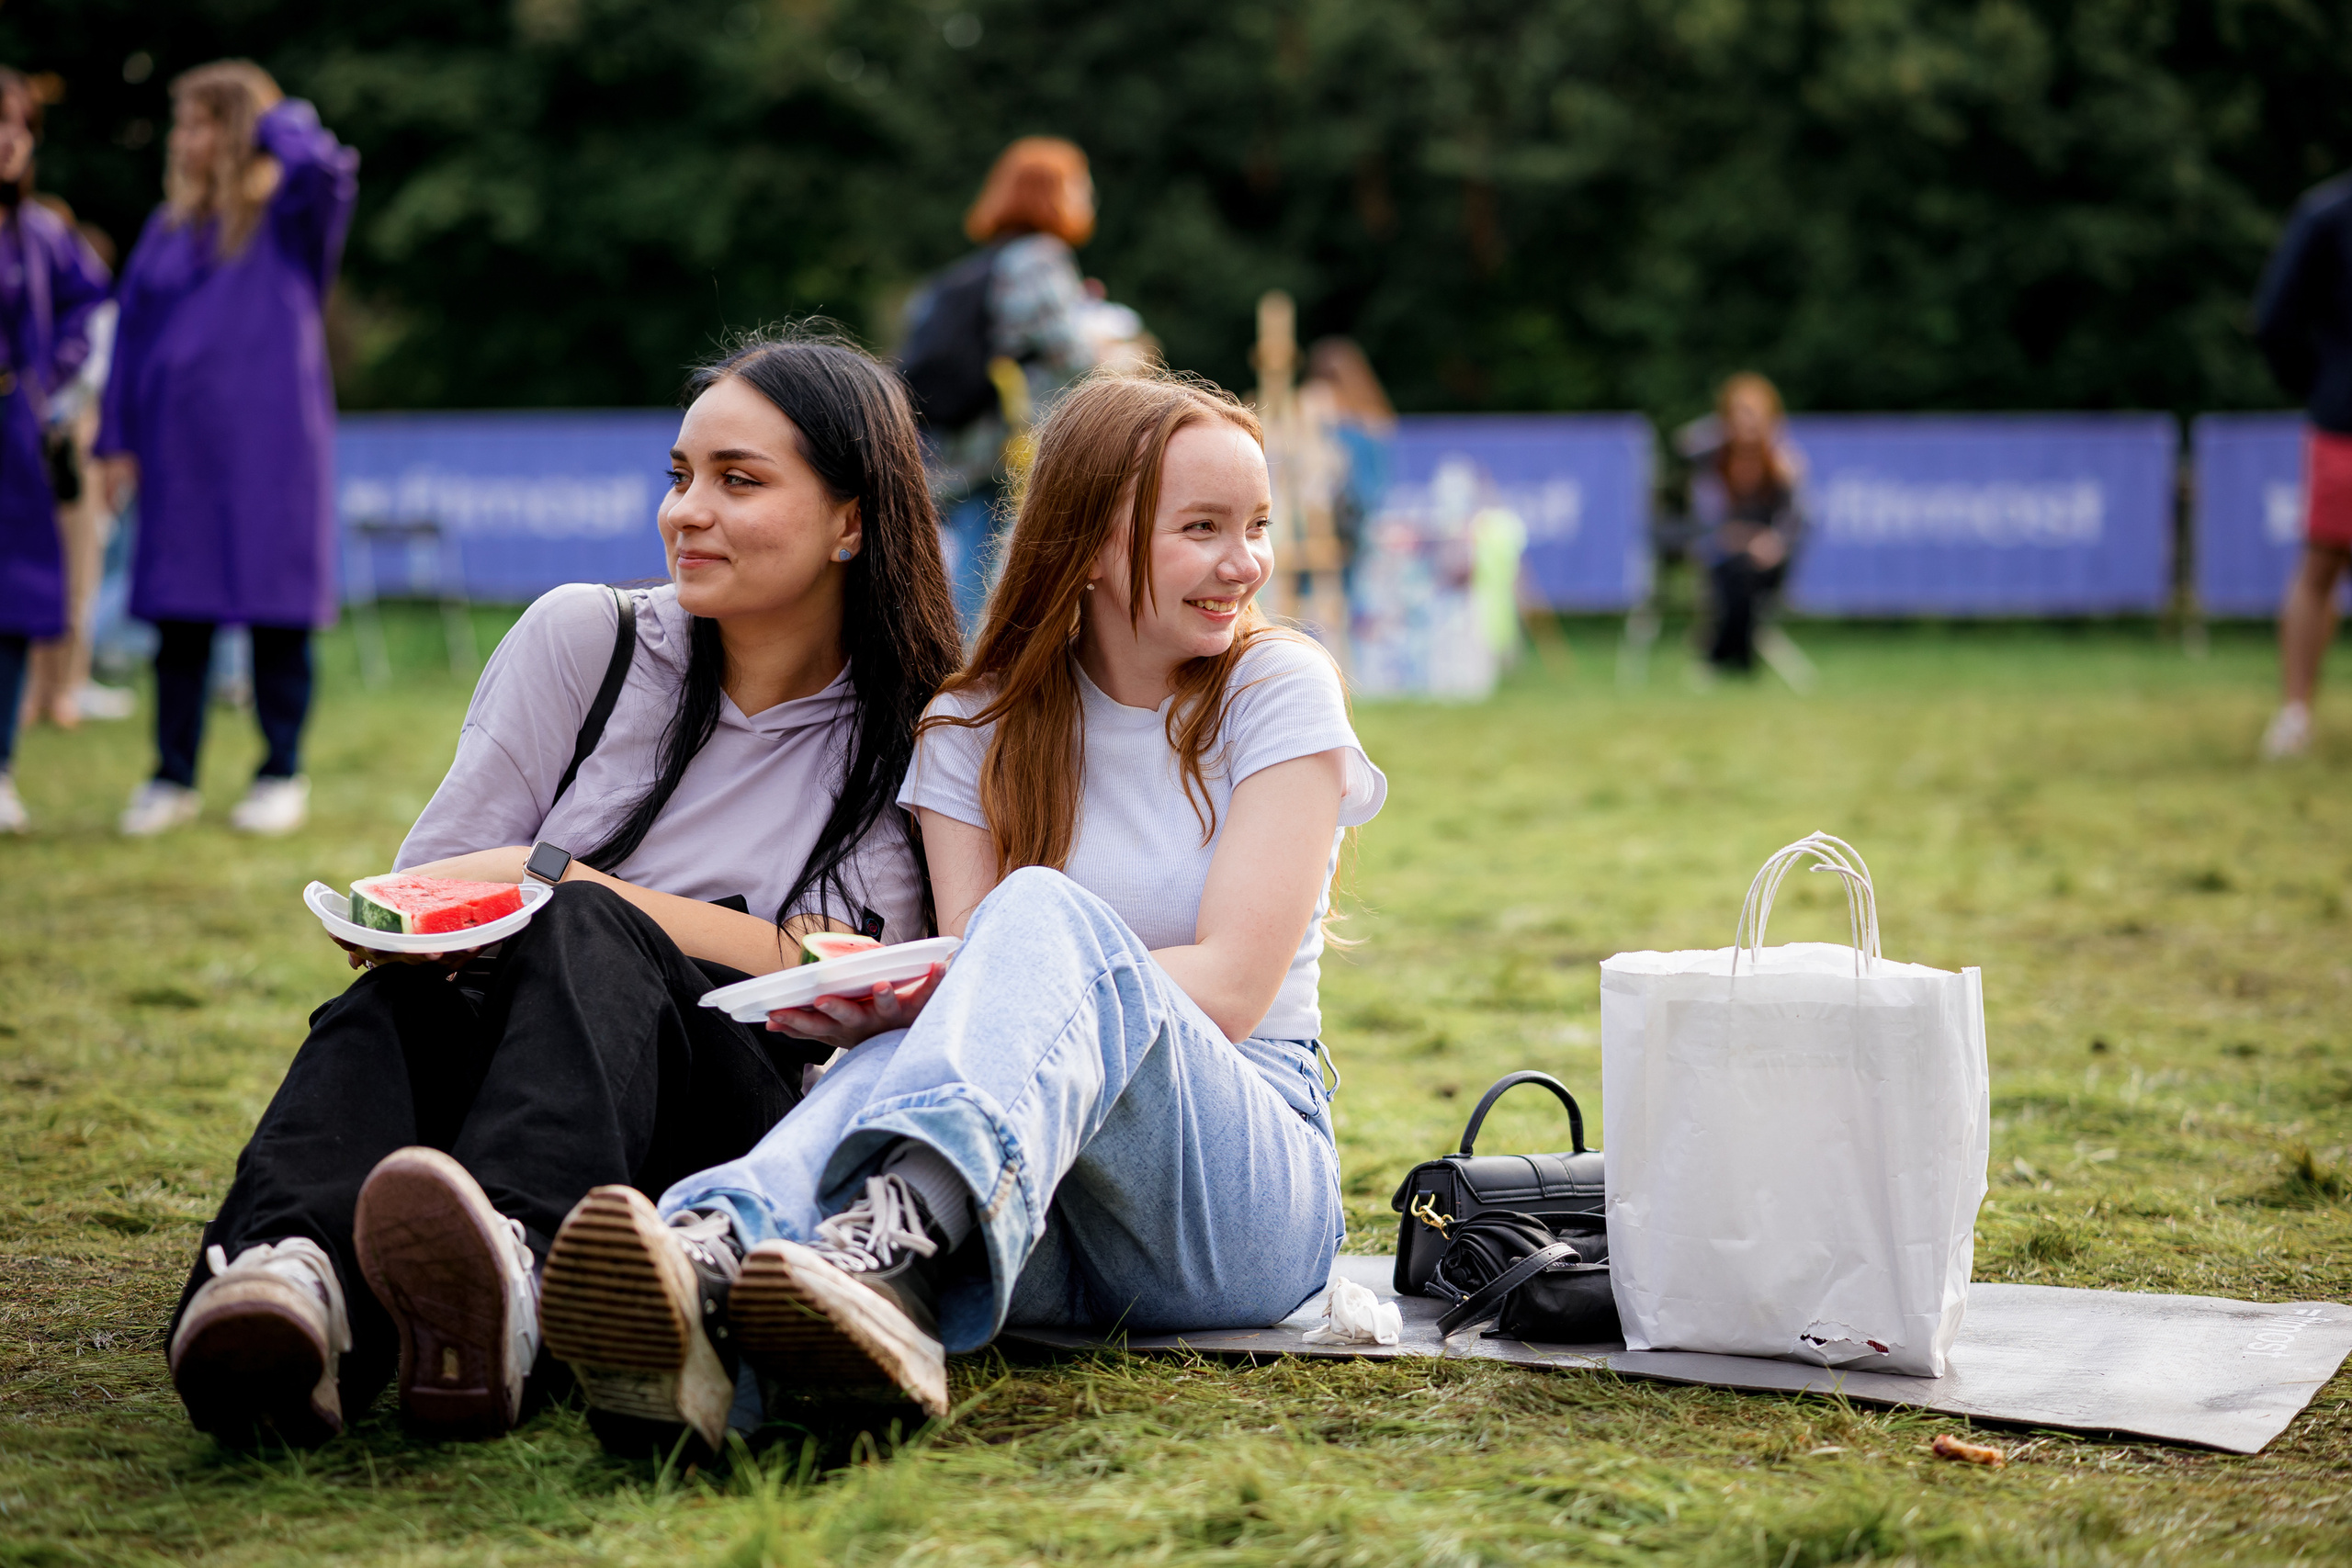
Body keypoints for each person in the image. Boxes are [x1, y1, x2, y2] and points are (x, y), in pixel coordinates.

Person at [537, 368, 1387, 1452]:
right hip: (1022, 1205)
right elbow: (980, 1010)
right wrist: (887, 1003)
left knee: (1029, 925)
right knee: (908, 1032)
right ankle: (714, 1278)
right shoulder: (971, 724)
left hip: (1238, 1206)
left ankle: (816, 1236)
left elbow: (1227, 989)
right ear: (1087, 542)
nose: (1246, 563)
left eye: (1256, 526)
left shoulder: (1277, 689)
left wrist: (957, 985)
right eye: (1204, 528)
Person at [164, 328, 964, 1449]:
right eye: (681, 477)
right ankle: (288, 1281)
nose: (687, 511)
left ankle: (524, 1276)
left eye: (740, 482)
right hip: (503, 1057)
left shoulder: (922, 734)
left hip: (720, 1122)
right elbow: (422, 896)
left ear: (854, 520)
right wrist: (511, 906)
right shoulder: (588, 639)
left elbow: (862, 984)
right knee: (397, 1006)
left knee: (589, 923)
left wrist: (558, 877)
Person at [95, 61, 358, 837]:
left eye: (203, 122)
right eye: (184, 123)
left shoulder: (291, 217)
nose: (186, 139)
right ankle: (170, 776)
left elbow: (325, 163)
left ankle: (280, 770)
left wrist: (270, 113)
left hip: (274, 451)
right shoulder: (166, 229)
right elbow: (133, 345)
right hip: (180, 453)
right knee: (178, 618)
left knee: (278, 615)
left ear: (238, 130)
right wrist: (116, 440)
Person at [902, 136, 1141, 630]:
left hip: (964, 436)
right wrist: (1110, 340)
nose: (1088, 198)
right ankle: (967, 675)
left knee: (971, 547)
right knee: (988, 558)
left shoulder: (983, 264)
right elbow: (1070, 354)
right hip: (1007, 440)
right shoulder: (1039, 258)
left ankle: (950, 668)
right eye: (1080, 187)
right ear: (1052, 192)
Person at [0, 68, 112, 833]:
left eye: (20, 123)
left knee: (11, 604)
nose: (9, 137)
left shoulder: (39, 231)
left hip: (14, 431)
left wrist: (52, 380)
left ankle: (1, 767)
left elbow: (90, 300)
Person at [2255, 174, 2352, 760]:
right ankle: (2294, 714)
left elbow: (2273, 321)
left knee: (2319, 567)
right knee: (2321, 565)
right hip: (2344, 419)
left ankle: (2295, 716)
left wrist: (2317, 386)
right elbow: (2275, 321)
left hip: (2341, 415)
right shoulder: (2327, 215)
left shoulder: (2327, 211)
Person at [1680, 372, 1804, 675]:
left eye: (1755, 413)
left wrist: (1774, 541)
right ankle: (1738, 662)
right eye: (1740, 413)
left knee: (1744, 574)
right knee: (1732, 572)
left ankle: (1720, 659)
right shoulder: (1714, 459)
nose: (1747, 421)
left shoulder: (1782, 464)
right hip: (1722, 551)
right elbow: (1685, 441)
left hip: (1767, 556)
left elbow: (1798, 519)